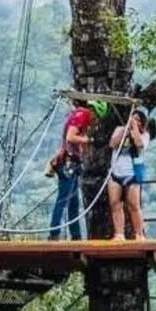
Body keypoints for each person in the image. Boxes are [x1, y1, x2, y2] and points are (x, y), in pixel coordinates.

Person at [48, 100, 108, 241]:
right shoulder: (82, 115)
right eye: (96, 117)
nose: (95, 121)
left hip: (74, 162)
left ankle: (76, 235)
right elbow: (70, 137)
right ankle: (54, 232)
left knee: (73, 203)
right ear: (93, 111)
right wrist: (89, 140)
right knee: (63, 199)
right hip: (67, 162)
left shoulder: (81, 117)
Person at [108, 109, 154, 241]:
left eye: (139, 120)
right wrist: (125, 130)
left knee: (133, 205)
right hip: (116, 172)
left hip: (132, 173)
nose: (135, 122)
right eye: (134, 119)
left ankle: (139, 234)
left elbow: (140, 145)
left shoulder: (144, 135)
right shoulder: (119, 130)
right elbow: (113, 143)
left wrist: (134, 129)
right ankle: (119, 234)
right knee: (115, 203)